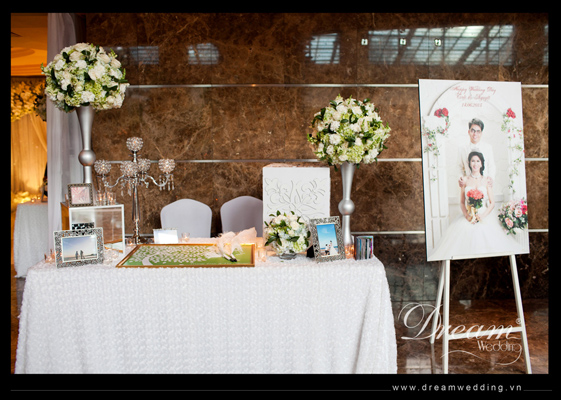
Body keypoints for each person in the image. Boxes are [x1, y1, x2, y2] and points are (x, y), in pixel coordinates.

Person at [430, 151, 523, 261]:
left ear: (481, 164)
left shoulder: (486, 180)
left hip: (484, 215)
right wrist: (467, 216)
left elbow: (492, 203)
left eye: (478, 161)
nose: (475, 163)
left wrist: (482, 216)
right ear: (469, 163)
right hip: (469, 216)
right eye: (473, 161)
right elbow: (462, 202)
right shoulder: (465, 180)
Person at [457, 118, 496, 189]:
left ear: (481, 133)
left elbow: (491, 166)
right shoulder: (462, 149)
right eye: (473, 131)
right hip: (468, 186)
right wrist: (460, 178)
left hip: (484, 186)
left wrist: (491, 178)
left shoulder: (488, 148)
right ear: (468, 132)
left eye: (478, 131)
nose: (475, 134)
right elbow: (459, 167)